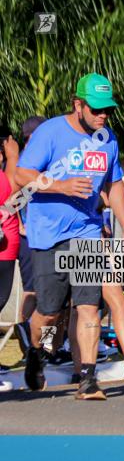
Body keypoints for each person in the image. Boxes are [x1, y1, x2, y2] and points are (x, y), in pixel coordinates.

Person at [15, 73, 124, 400]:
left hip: (87, 232)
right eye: (95, 109)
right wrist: (60, 185)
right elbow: (21, 174)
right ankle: (36, 352)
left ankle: (89, 379)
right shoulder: (50, 132)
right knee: (50, 311)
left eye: (107, 110)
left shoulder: (107, 138)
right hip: (48, 233)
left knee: (88, 305)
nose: (102, 116)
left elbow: (115, 184)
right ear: (77, 104)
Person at [12, 117, 47, 355]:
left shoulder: (42, 157)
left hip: (48, 235)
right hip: (30, 237)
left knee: (55, 301)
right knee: (35, 292)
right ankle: (27, 332)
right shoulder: (26, 161)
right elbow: (14, 198)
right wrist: (21, 223)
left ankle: (47, 344)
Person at [0, 131, 20, 391]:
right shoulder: (5, 174)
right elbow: (15, 190)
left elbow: (15, 200)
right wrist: (14, 156)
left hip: (8, 248)